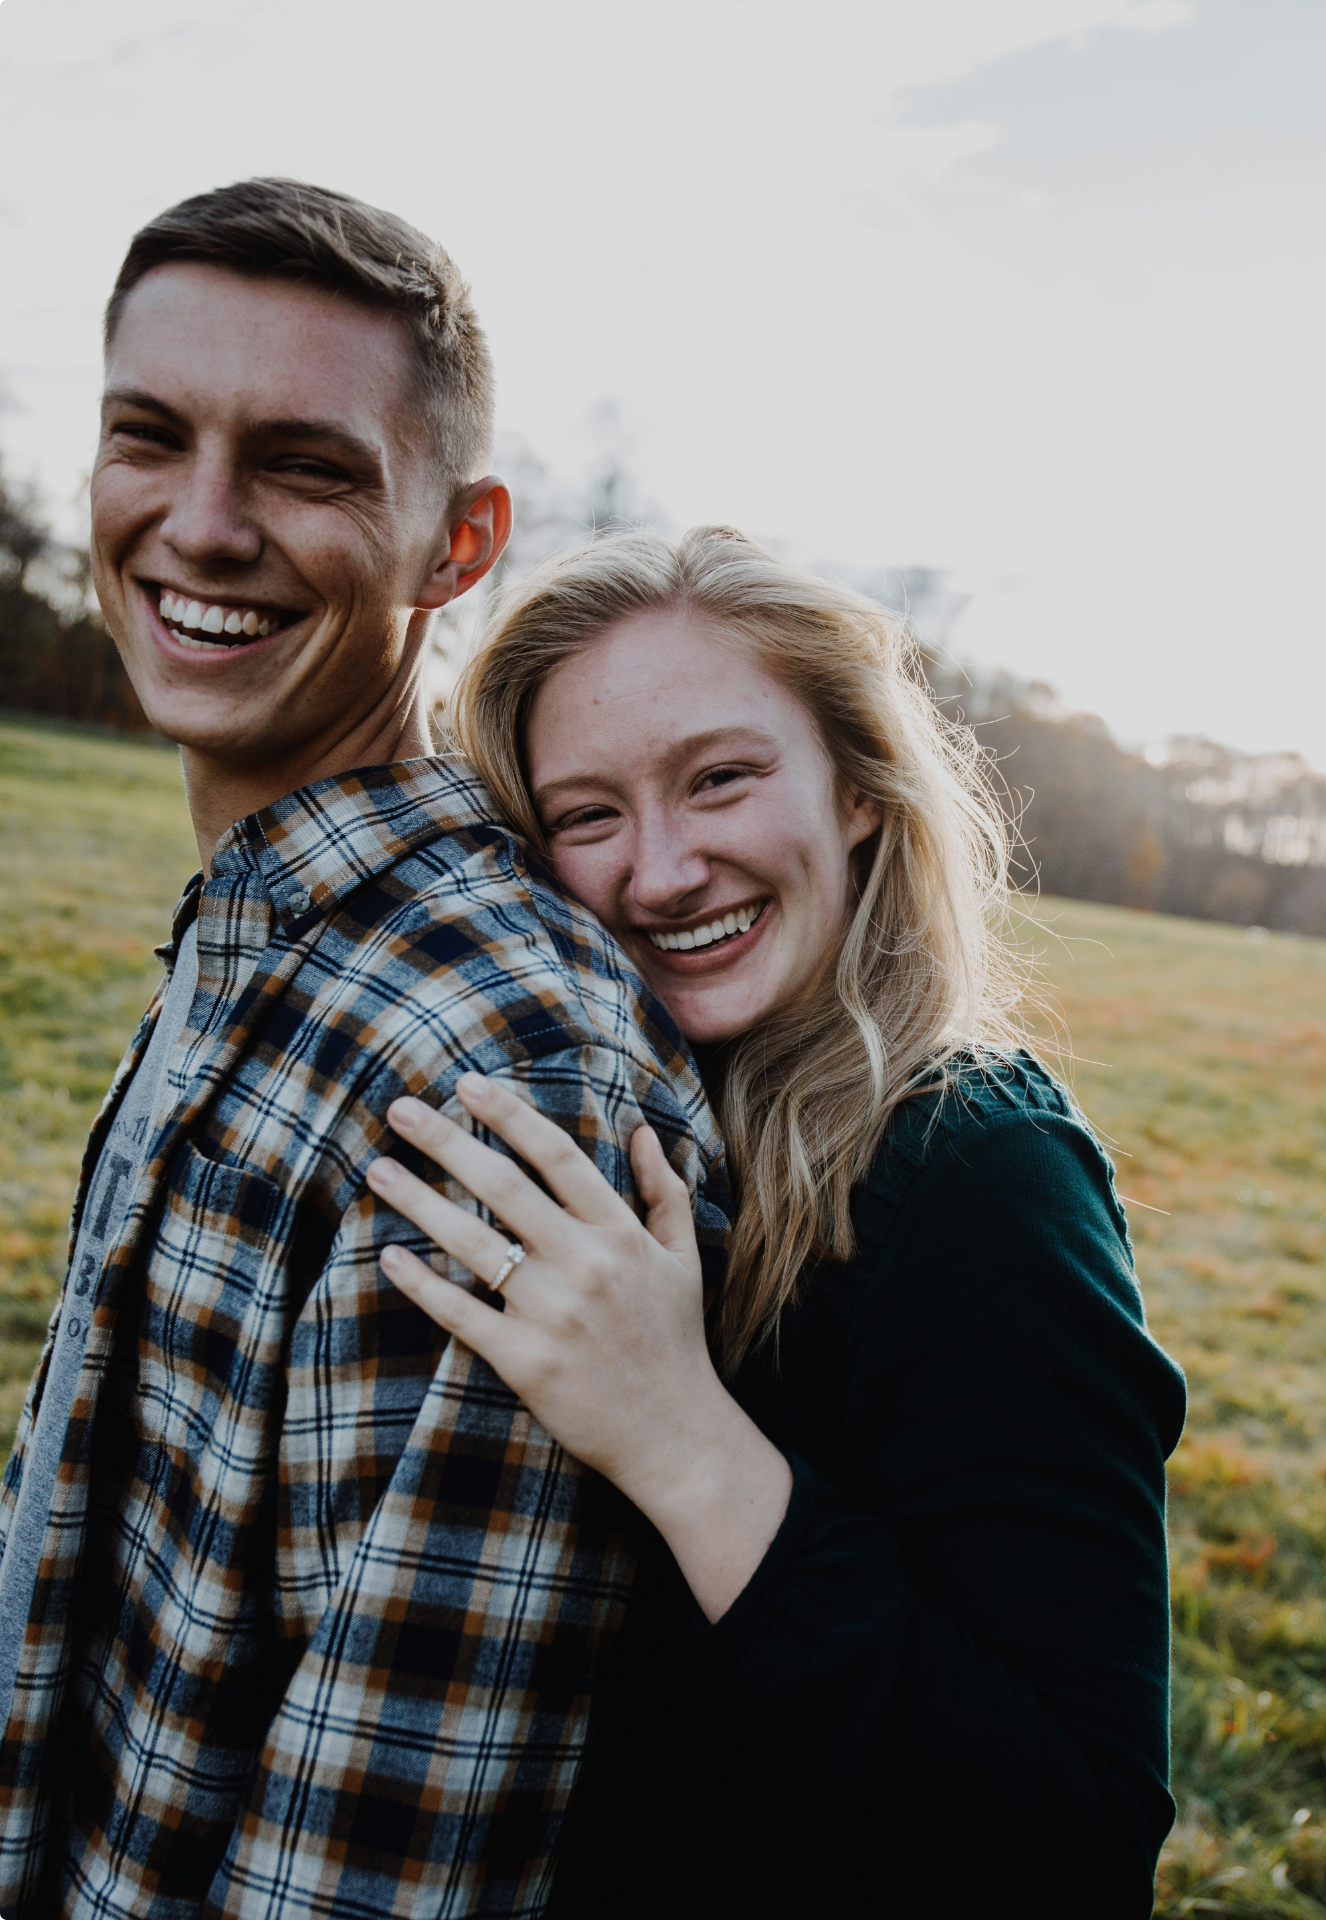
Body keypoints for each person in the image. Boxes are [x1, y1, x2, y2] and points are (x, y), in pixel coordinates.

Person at [0, 183, 726, 1919]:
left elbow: (383, 1854)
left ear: (457, 546)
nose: (202, 523)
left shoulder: (495, 1063)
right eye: (148, 438)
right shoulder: (261, 932)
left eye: (307, 466)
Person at [368, 527, 1190, 1917]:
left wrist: (684, 1443)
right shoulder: (634, 1110)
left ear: (860, 790)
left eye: (721, 781)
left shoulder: (979, 1176)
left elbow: (1075, 1847)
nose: (664, 871)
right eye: (587, 815)